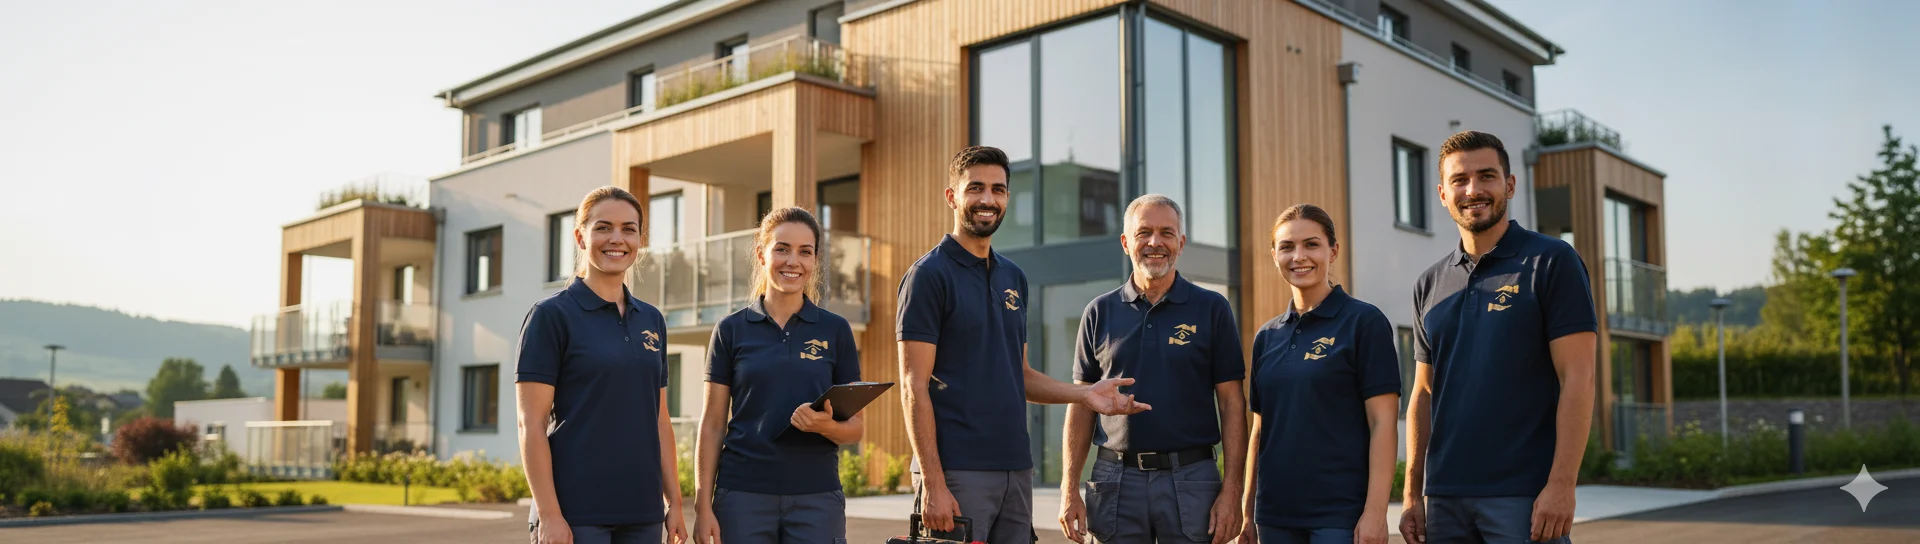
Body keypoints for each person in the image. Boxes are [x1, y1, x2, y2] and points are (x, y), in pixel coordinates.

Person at [898, 146, 1150, 544]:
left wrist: (1086, 395)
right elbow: (914, 387)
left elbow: (1022, 375)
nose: (987, 199)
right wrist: (933, 481)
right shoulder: (928, 276)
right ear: (952, 197)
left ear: (1007, 199)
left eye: (998, 190)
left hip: (1015, 470)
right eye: (975, 188)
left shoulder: (1013, 277)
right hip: (958, 472)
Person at [1399, 131, 1597, 544]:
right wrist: (1412, 493)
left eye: (1486, 176)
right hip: (1446, 499)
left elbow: (1578, 378)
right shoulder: (1429, 283)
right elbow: (1423, 393)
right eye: (1460, 180)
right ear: (1442, 193)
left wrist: (1562, 485)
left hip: (1523, 496)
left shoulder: (1551, 261)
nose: (1473, 190)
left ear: (1509, 185)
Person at [1058, 194, 1247, 544]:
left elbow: (1233, 404)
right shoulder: (1098, 312)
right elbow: (1080, 405)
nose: (1155, 243)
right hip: (1115, 480)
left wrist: (1232, 491)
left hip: (1192, 480)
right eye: (1144, 232)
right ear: (1126, 242)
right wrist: (1069, 489)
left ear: (1182, 242)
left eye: (1166, 232)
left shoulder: (1212, 308)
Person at [516, 186, 689, 544]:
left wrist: (674, 502)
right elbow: (530, 424)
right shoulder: (551, 316)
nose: (617, 239)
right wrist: (549, 514)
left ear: (639, 239)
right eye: (603, 227)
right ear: (581, 236)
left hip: (641, 512)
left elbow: (659, 420)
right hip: (575, 512)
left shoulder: (652, 320)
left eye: (628, 229)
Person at [691, 207, 863, 544]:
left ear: (815, 261)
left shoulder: (836, 330)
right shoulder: (730, 330)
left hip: (817, 498)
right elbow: (712, 424)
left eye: (805, 251)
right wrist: (702, 507)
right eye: (781, 249)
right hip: (742, 497)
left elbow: (855, 428)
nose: (792, 261)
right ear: (761, 254)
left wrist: (825, 426)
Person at [1241, 204, 1400, 544]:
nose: (1299, 256)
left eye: (1311, 244)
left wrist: (1375, 513)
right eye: (1287, 247)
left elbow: (1383, 423)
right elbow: (1260, 431)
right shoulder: (1267, 336)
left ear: (1333, 251)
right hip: (1274, 516)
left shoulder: (1364, 323)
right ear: (1274, 255)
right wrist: (1247, 513)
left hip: (1340, 515)